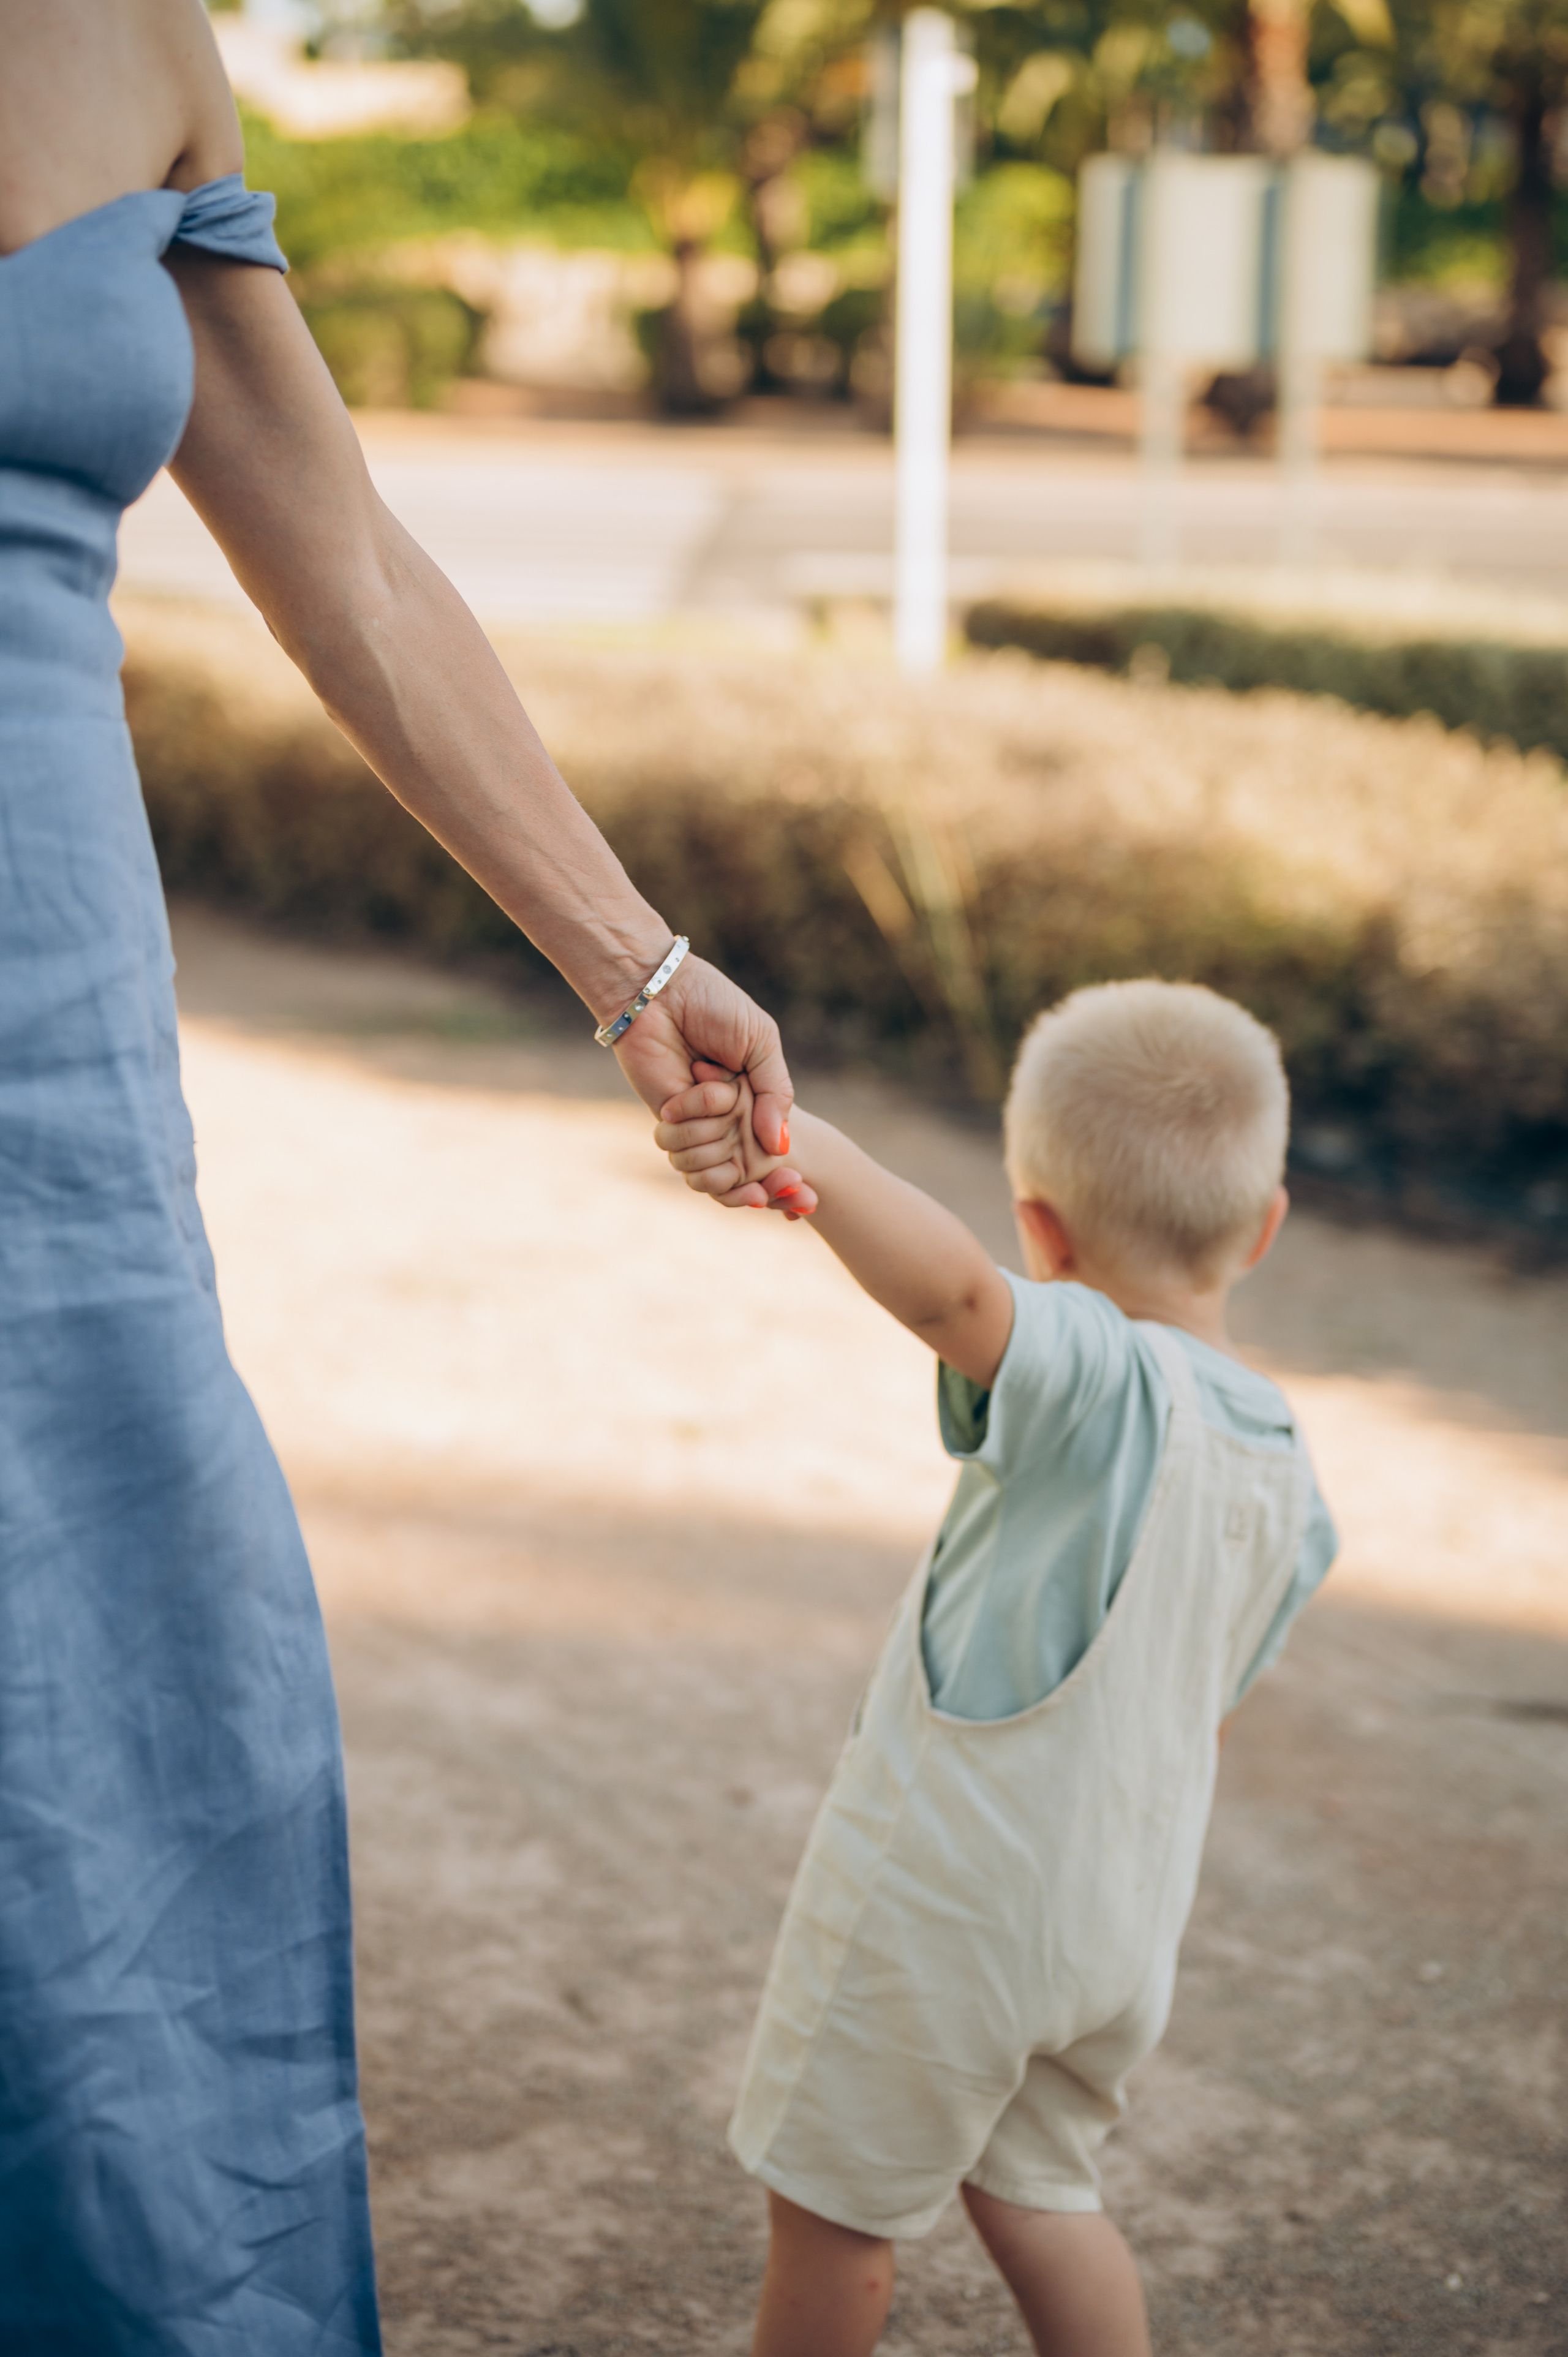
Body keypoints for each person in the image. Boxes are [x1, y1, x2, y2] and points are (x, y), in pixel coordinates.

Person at [0, 3, 806, 2348]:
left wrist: (630, 955)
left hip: (54, 1082)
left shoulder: (131, 34)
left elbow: (335, 543)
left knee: (134, 1733)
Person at [655, 979, 1339, 2357]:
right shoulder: (1285, 1470)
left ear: (1043, 1227)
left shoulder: (1098, 1372)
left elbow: (954, 1293)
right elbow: (1200, 1690)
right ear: (1262, 1228)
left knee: (835, 2214)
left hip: (949, 1910)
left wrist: (808, 1149)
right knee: (1042, 2194)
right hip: (1116, 1925)